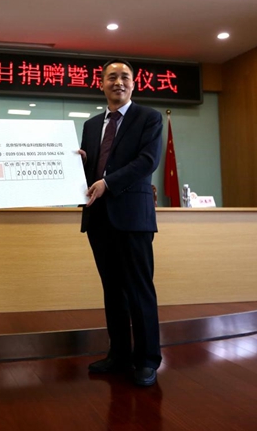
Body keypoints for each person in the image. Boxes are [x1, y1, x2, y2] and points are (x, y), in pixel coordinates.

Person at [78, 59, 163, 386]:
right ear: (101, 84)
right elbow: (91, 173)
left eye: (125, 76)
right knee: (112, 290)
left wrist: (108, 182)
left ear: (133, 83)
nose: (118, 82)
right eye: (111, 77)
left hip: (133, 217)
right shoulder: (91, 125)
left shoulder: (148, 118)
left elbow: (147, 161)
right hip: (99, 217)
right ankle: (119, 355)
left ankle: (147, 359)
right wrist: (77, 165)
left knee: (139, 289)